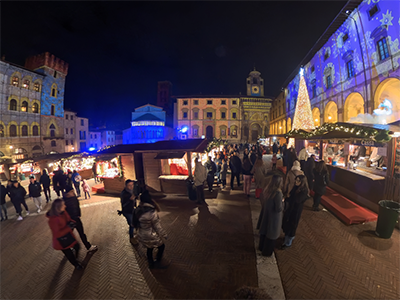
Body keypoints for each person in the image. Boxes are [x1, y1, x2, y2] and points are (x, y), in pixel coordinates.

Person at [134, 190, 168, 269]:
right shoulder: (152, 212)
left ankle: (150, 262)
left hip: (142, 234)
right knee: (161, 246)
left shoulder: (138, 210)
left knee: (149, 248)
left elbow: (135, 224)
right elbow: (157, 226)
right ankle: (158, 261)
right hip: (151, 235)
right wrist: (164, 235)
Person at [46, 199, 84, 270]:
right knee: (69, 254)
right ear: (58, 208)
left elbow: (68, 219)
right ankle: (76, 264)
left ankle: (76, 259)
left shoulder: (63, 212)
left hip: (68, 235)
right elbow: (57, 233)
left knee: (77, 246)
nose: (65, 206)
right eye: (63, 205)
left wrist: (72, 222)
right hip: (61, 241)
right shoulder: (52, 220)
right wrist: (68, 227)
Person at [257, 175, 284, 257]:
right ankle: (266, 252)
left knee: (264, 232)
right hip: (274, 217)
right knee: (271, 235)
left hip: (266, 214)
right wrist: (283, 202)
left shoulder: (268, 189)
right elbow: (278, 208)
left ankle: (261, 247)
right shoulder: (278, 193)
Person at [63, 188, 98, 252]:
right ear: (68, 193)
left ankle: (83, 246)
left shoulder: (71, 198)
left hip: (74, 219)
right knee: (77, 233)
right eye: (72, 191)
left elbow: (77, 207)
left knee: (79, 233)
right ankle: (83, 246)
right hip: (72, 220)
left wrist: (79, 214)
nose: (73, 192)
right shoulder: (67, 200)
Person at [282, 175, 309, 248]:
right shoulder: (295, 187)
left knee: (292, 225)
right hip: (290, 208)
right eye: (296, 180)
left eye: (298, 181)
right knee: (286, 222)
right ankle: (287, 236)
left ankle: (288, 242)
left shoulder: (304, 191)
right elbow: (290, 197)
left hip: (296, 210)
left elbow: (298, 200)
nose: (296, 182)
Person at [120, 179, 138, 244]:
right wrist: (130, 199)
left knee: (135, 222)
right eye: (129, 185)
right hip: (127, 211)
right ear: (126, 186)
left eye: (132, 185)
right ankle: (131, 238)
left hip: (132, 209)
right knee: (131, 224)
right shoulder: (124, 193)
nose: (131, 186)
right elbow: (123, 203)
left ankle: (136, 233)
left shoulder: (132, 191)